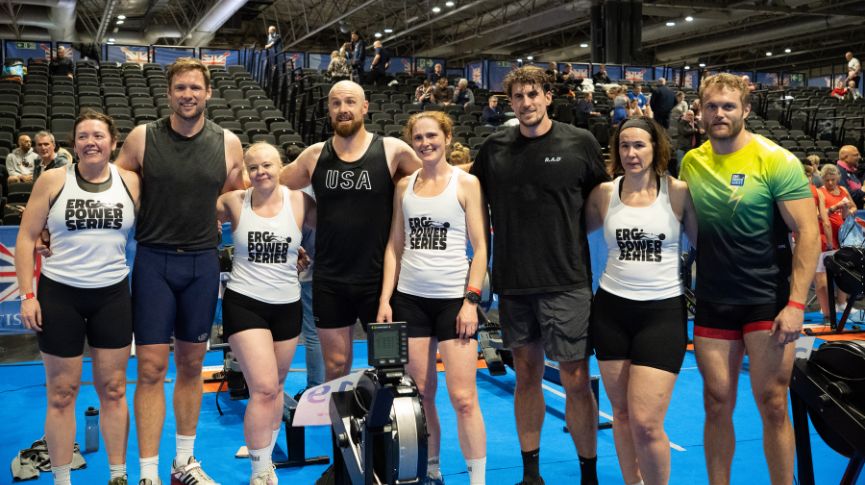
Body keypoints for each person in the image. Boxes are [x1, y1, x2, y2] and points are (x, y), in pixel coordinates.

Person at [679, 73, 820, 485]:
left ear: (745, 110)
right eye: (711, 106)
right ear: (700, 111)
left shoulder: (775, 159)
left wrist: (796, 305)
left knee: (773, 402)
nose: (719, 114)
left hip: (766, 300)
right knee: (716, 401)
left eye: (727, 106)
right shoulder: (692, 161)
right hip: (713, 298)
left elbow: (808, 233)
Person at [470, 66, 607, 485]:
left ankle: (589, 475)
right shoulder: (493, 149)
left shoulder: (580, 143)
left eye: (533, 94)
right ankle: (531, 474)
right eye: (518, 97)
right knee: (526, 376)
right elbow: (468, 205)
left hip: (567, 281)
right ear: (509, 102)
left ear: (548, 96)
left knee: (576, 379)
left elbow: (601, 207)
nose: (526, 103)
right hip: (514, 285)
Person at [114, 57, 245, 485]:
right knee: (151, 368)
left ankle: (183, 463)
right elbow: (116, 185)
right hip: (153, 261)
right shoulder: (141, 138)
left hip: (202, 264)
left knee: (191, 367)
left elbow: (235, 200)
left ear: (208, 93)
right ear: (168, 93)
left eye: (195, 88)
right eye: (179, 88)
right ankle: (149, 473)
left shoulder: (228, 143)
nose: (187, 94)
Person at [16, 111, 140, 485]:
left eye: (98, 136)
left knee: (114, 389)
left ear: (113, 143)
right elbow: (25, 238)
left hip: (112, 295)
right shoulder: (54, 180)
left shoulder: (131, 181)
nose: (91, 142)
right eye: (83, 135)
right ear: (74, 144)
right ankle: (62, 479)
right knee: (62, 392)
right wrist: (27, 295)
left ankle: (118, 475)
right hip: (59, 296)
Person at [278, 80, 421, 383]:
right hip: (330, 281)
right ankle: (341, 432)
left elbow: (436, 180)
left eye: (350, 102)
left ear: (364, 107)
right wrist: (290, 241)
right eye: (336, 104)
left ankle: (385, 429)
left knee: (391, 366)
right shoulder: (314, 155)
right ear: (328, 109)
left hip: (380, 283)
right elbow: (270, 188)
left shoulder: (392, 150)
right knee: (336, 366)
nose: (343, 110)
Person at [584, 116, 697, 485]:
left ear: (656, 147)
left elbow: (708, 248)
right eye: (624, 146)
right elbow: (567, 235)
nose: (631, 153)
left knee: (648, 423)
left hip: (662, 315)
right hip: (612, 311)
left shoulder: (677, 191)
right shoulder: (604, 193)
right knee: (622, 414)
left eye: (639, 145)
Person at [378, 111, 489, 485]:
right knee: (421, 393)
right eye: (418, 138)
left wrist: (471, 301)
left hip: (454, 302)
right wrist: (385, 299)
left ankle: (477, 479)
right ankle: (431, 467)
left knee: (463, 397)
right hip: (411, 300)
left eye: (431, 136)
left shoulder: (466, 183)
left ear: (446, 135)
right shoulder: (403, 187)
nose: (425, 143)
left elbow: (481, 248)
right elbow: (395, 246)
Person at [216, 142, 314, 485]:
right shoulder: (234, 201)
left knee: (277, 387)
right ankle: (259, 472)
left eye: (267, 165)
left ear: (280, 166)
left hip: (287, 304)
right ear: (245, 172)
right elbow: (189, 214)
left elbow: (343, 221)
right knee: (264, 388)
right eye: (253, 167)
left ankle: (265, 456)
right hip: (245, 303)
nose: (261, 172)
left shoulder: (300, 202)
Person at [809, 164, 847, 323]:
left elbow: (847, 211)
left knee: (832, 275)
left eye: (833, 179)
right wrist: (830, 243)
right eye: (827, 179)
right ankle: (827, 313)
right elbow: (823, 220)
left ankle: (833, 310)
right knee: (821, 278)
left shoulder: (811, 191)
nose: (830, 182)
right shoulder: (818, 192)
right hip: (822, 240)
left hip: (831, 239)